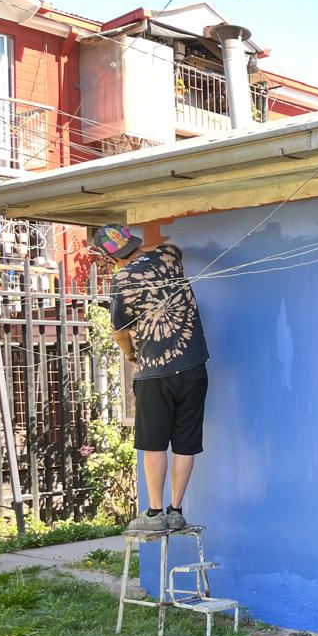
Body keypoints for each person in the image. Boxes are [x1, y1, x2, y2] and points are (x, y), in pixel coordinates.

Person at [96, 222, 210, 533]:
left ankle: (155, 511)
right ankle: (176, 509)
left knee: (154, 444)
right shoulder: (170, 257)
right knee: (185, 443)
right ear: (134, 242)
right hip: (193, 366)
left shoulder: (121, 280)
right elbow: (165, 247)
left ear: (112, 258)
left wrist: (131, 353)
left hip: (153, 373)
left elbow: (119, 332)